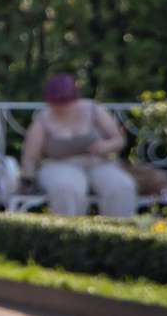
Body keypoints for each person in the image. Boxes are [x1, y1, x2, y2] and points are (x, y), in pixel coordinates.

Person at [22, 73, 137, 219]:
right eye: (56, 103)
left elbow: (119, 140)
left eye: (65, 102)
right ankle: (70, 236)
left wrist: (106, 146)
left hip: (98, 163)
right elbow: (30, 157)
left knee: (122, 186)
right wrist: (28, 180)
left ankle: (117, 236)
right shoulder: (43, 120)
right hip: (59, 164)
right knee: (67, 188)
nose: (61, 107)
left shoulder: (94, 109)